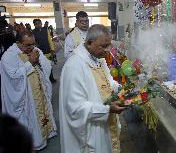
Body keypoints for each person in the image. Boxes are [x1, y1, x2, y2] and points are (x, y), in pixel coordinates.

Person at [59, 24, 125, 153]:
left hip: (105, 123)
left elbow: (108, 83)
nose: (108, 50)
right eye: (104, 46)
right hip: (92, 129)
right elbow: (75, 107)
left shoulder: (99, 59)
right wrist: (107, 109)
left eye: (109, 45)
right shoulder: (74, 66)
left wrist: (122, 89)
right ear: (89, 43)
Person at [1, 30, 57, 150]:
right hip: (26, 95)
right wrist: (30, 62)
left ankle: (47, 133)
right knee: (30, 116)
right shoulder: (8, 56)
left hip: (39, 89)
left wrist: (40, 62)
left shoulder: (34, 50)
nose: (32, 47)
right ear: (18, 43)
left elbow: (46, 66)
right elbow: (13, 78)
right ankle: (34, 141)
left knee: (43, 110)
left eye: (33, 44)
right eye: (28, 45)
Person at [32, 19, 57, 83]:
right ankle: (44, 79)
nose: (39, 25)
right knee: (42, 66)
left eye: (40, 23)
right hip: (39, 53)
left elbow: (50, 40)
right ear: (34, 25)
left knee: (49, 65)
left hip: (47, 51)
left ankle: (51, 78)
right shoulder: (33, 32)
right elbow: (33, 42)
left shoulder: (45, 30)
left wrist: (52, 49)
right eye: (37, 24)